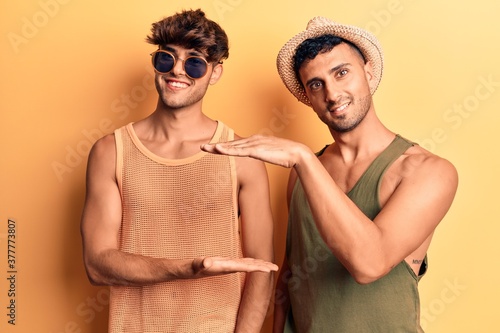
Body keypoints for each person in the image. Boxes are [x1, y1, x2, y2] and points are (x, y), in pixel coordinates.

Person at [202, 16, 459, 332]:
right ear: (307, 97)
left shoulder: (428, 171)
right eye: (316, 84)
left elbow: (369, 264)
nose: (333, 94)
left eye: (342, 73)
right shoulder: (302, 174)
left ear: (367, 71)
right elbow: (291, 277)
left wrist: (303, 158)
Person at [80, 9, 278, 333]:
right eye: (166, 58)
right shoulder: (110, 151)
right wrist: (188, 269)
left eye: (195, 63)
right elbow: (97, 264)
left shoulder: (243, 157)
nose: (177, 71)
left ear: (215, 73)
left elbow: (263, 270)